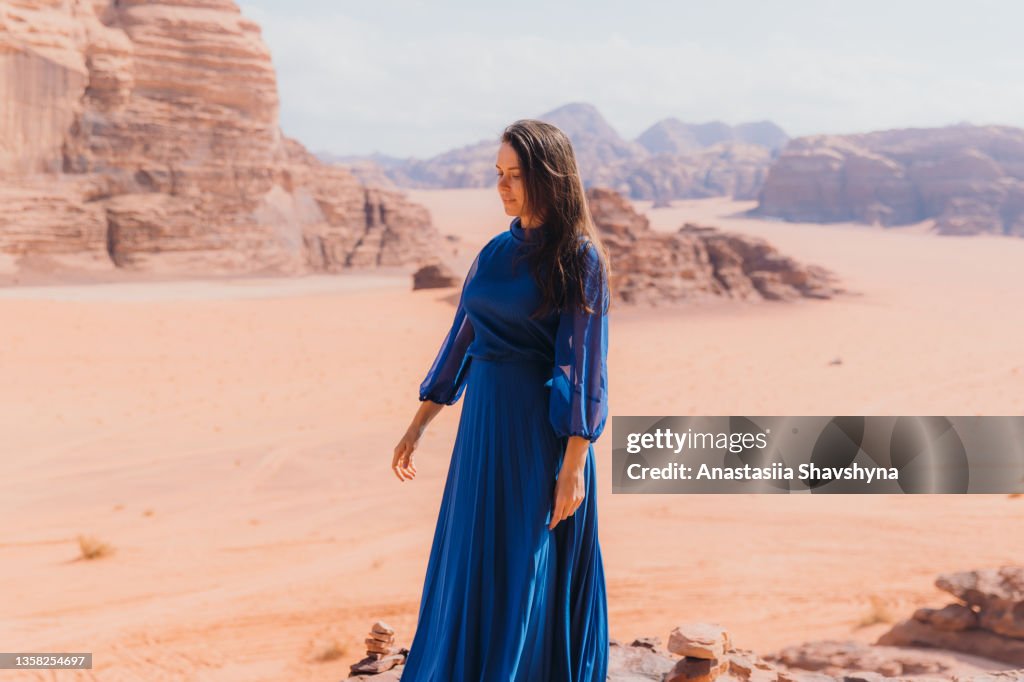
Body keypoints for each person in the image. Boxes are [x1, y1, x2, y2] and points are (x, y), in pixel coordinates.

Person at [392, 119, 611, 681]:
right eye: (498, 174)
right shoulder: (492, 253)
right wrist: (420, 423)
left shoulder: (578, 259)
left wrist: (574, 465)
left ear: (549, 178)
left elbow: (585, 368)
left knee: (522, 563)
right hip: (481, 428)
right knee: (470, 559)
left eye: (516, 175)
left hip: (533, 433)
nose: (503, 187)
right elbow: (462, 339)